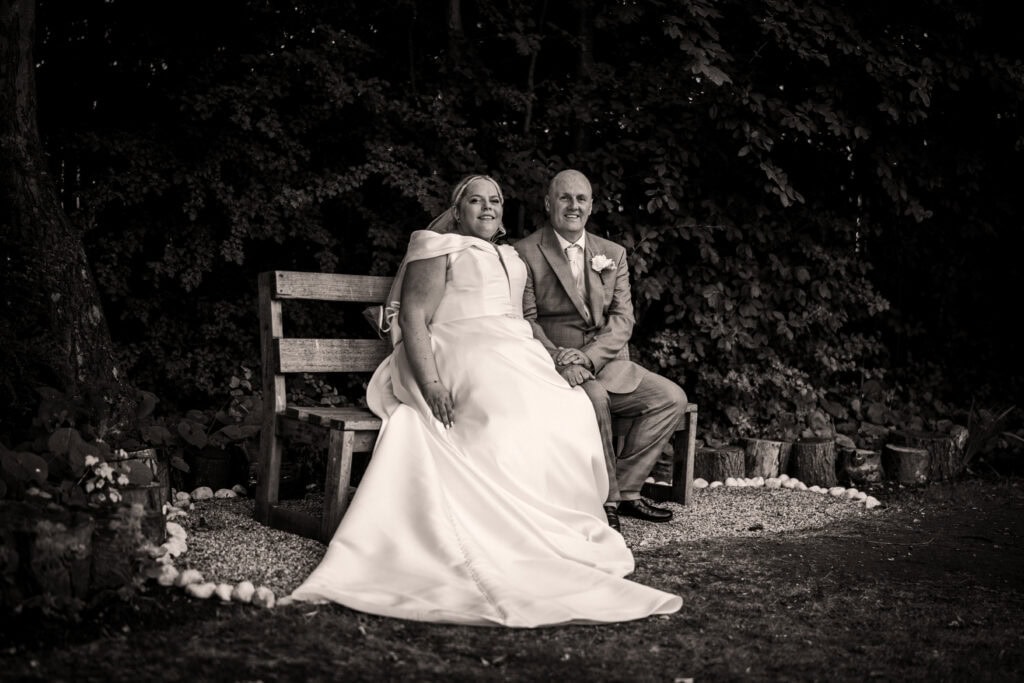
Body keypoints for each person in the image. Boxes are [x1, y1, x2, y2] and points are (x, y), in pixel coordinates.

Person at [288, 174, 682, 626]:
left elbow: (526, 320)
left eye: (494, 200)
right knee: (504, 408)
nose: (488, 207)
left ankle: (555, 520)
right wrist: (431, 383)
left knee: (569, 406)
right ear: (458, 209)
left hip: (513, 347)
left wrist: (554, 356)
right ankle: (502, 522)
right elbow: (415, 316)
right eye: (476, 201)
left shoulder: (512, 254)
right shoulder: (437, 246)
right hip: (457, 348)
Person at [514, 169, 689, 532]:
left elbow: (623, 319)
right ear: (548, 203)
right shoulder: (525, 252)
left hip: (606, 362)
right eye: (564, 198)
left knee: (671, 398)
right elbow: (526, 321)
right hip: (555, 367)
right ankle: (605, 500)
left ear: (591, 206)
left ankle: (626, 490)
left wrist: (590, 356)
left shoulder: (612, 254)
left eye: (581, 199)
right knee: (593, 398)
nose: (573, 205)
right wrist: (561, 360)